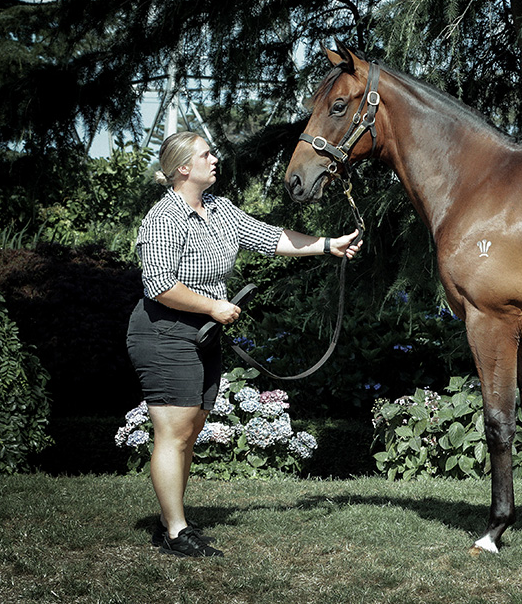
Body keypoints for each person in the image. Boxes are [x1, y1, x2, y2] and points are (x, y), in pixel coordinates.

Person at [126, 131, 361, 558]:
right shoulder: (164, 217)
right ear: (183, 168)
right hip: (164, 331)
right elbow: (159, 285)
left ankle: (171, 520)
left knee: (191, 429)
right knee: (174, 432)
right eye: (205, 155)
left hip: (203, 331)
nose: (214, 159)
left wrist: (328, 245)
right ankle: (176, 531)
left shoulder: (220, 209)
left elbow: (271, 238)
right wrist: (213, 306)